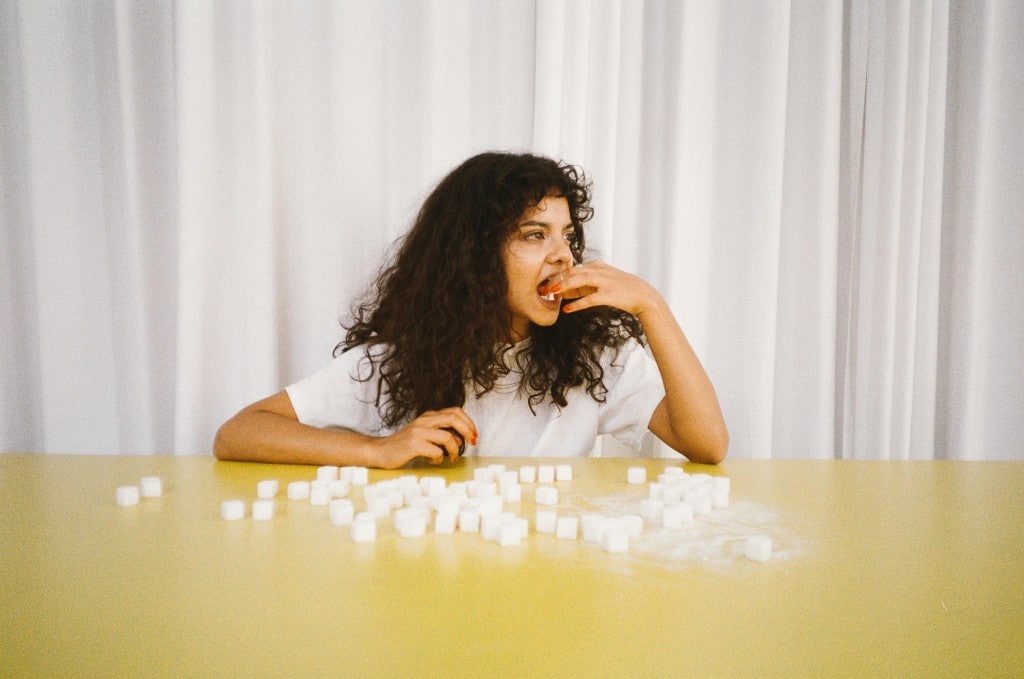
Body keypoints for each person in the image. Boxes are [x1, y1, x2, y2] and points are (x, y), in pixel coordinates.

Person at [214, 151, 728, 469]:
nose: (563, 255)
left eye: (568, 236)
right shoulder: (398, 360)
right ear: (476, 252)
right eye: (534, 235)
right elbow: (237, 433)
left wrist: (651, 306)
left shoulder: (595, 358)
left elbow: (707, 444)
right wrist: (377, 451)